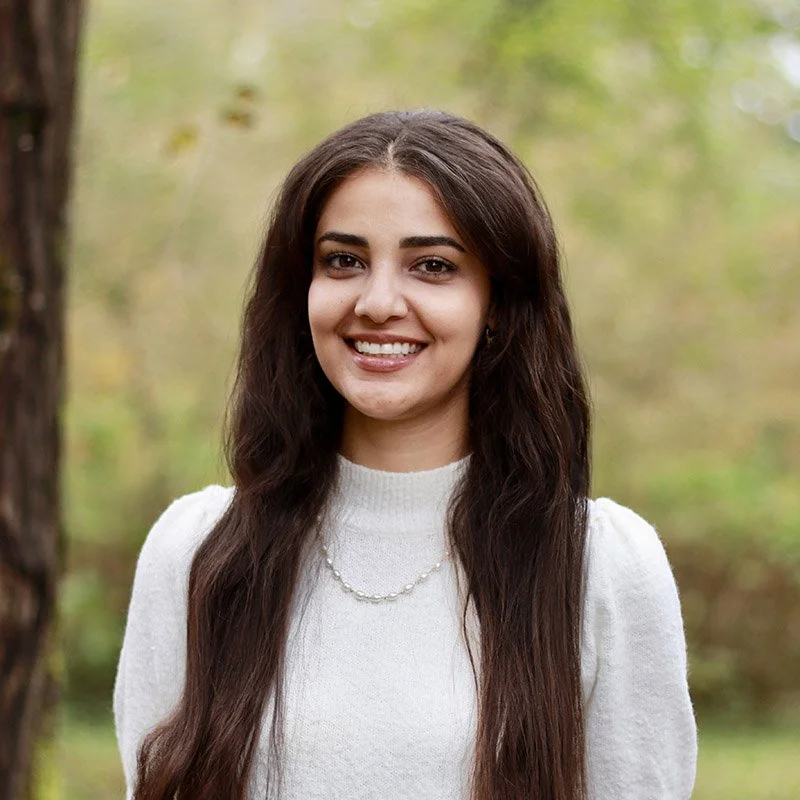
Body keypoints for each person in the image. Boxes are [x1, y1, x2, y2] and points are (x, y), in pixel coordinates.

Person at [113, 109, 697, 800]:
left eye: (432, 266)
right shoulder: (195, 551)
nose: (379, 301)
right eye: (344, 261)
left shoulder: (601, 565)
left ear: (499, 304)